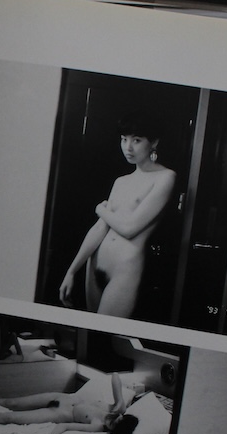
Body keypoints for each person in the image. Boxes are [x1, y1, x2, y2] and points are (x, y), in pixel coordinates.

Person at [58, 113, 176, 319]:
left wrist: (101, 210)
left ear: (154, 142)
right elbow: (99, 228)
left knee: (105, 333)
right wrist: (72, 271)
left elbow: (129, 229)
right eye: (124, 139)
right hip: (94, 264)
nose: (128, 147)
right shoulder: (121, 181)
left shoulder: (165, 177)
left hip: (124, 269)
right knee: (90, 328)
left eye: (136, 140)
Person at [0, 372, 137, 434]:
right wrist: (120, 401)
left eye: (112, 426)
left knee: (10, 417)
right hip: (61, 397)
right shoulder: (117, 407)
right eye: (116, 420)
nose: (110, 422)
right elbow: (115, 376)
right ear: (121, 416)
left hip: (59, 414)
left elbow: (67, 426)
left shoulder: (97, 426)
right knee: (11, 403)